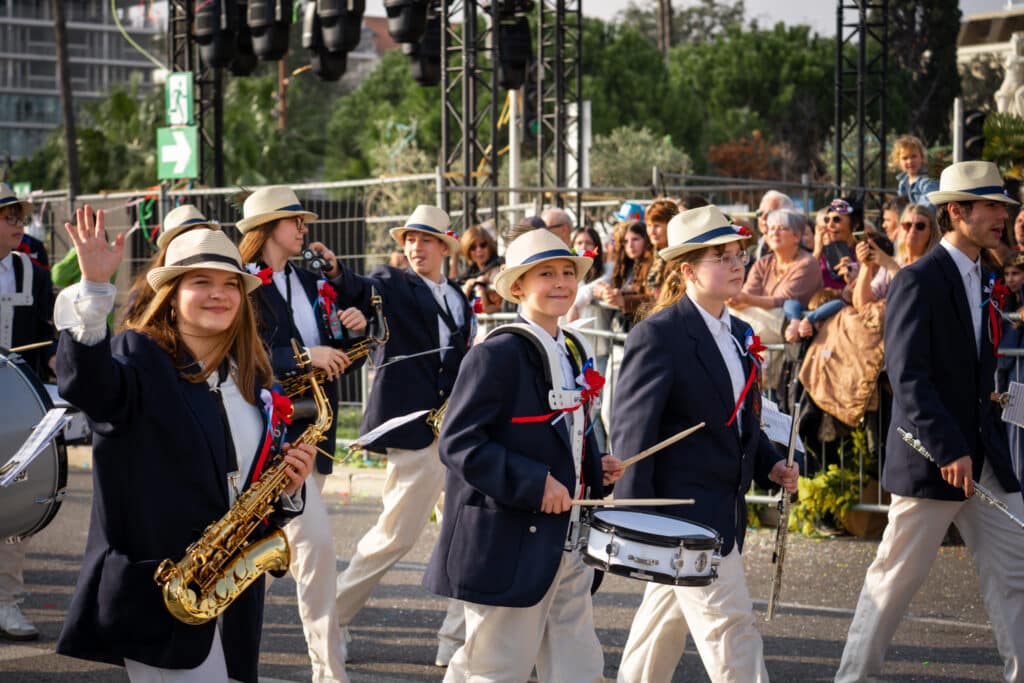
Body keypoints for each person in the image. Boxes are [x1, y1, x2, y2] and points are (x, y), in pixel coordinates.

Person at [53, 214, 316, 682]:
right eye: (201, 282)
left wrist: (289, 488)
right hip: (161, 590)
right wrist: (93, 290)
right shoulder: (138, 355)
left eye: (230, 284)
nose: (219, 294)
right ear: (171, 294)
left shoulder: (247, 375)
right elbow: (90, 387)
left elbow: (243, 484)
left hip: (232, 592)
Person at [835, 161, 1024, 683]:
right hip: (932, 461)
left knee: (1016, 571)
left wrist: (995, 399)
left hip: (985, 457)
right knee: (894, 581)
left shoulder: (985, 277)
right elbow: (907, 375)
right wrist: (948, 447)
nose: (1002, 216)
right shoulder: (917, 279)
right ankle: (853, 679)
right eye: (991, 206)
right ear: (957, 212)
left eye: (1003, 207)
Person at [423, 228, 623, 683]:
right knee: (496, 668)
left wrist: (593, 467)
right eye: (545, 274)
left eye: (568, 272)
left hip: (569, 538)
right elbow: (459, 443)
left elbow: (565, 433)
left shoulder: (572, 348)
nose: (561, 282)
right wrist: (535, 484)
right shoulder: (496, 354)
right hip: (510, 539)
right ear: (517, 287)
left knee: (580, 669)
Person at [613, 205, 798, 683]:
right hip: (685, 518)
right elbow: (633, 433)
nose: (737, 264)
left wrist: (771, 464)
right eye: (721, 257)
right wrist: (635, 523)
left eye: (738, 254)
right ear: (687, 270)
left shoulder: (740, 333)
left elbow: (742, 420)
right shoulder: (659, 334)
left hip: (723, 508)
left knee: (659, 631)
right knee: (732, 633)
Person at [329, 205, 472, 668]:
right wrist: (334, 270)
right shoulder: (391, 283)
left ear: (445, 246)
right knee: (395, 536)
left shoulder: (459, 296)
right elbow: (359, 287)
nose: (415, 247)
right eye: (410, 239)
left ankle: (456, 641)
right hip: (415, 433)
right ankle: (330, 620)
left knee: (466, 534)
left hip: (456, 432)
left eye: (426, 239)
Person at [236, 185, 366, 683]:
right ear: (267, 228)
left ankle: (217, 652)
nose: (304, 228)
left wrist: (351, 332)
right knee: (316, 550)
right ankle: (329, 672)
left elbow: (333, 353)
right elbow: (240, 355)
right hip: (269, 436)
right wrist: (303, 357)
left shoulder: (311, 282)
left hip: (314, 433)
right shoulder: (242, 282)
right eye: (294, 220)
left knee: (274, 557)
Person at [0, 185, 54, 642]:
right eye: (9, 218)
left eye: (19, 218)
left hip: (18, 408)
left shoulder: (32, 273)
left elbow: (47, 338)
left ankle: (6, 601)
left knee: (17, 503)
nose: (19, 226)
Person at [731, 208, 822, 311]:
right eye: (771, 228)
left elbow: (784, 301)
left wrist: (746, 299)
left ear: (797, 236)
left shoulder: (807, 264)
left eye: (782, 228)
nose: (775, 232)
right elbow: (747, 294)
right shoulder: (763, 263)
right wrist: (734, 301)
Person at [456, 224, 503, 315]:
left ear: (489, 246)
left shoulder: (498, 268)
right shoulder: (470, 271)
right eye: (473, 247)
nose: (479, 250)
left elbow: (483, 308)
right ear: (468, 251)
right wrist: (468, 286)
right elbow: (458, 306)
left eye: (483, 245)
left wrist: (479, 286)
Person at [891, 134, 939, 209]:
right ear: (898, 161)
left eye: (913, 156)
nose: (910, 161)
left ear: (922, 157)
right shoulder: (903, 182)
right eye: (905, 158)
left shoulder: (928, 182)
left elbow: (927, 209)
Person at [644, 199, 679, 293]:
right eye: (649, 225)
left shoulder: (679, 260)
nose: (652, 232)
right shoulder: (649, 254)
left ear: (671, 226)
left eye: (657, 226)